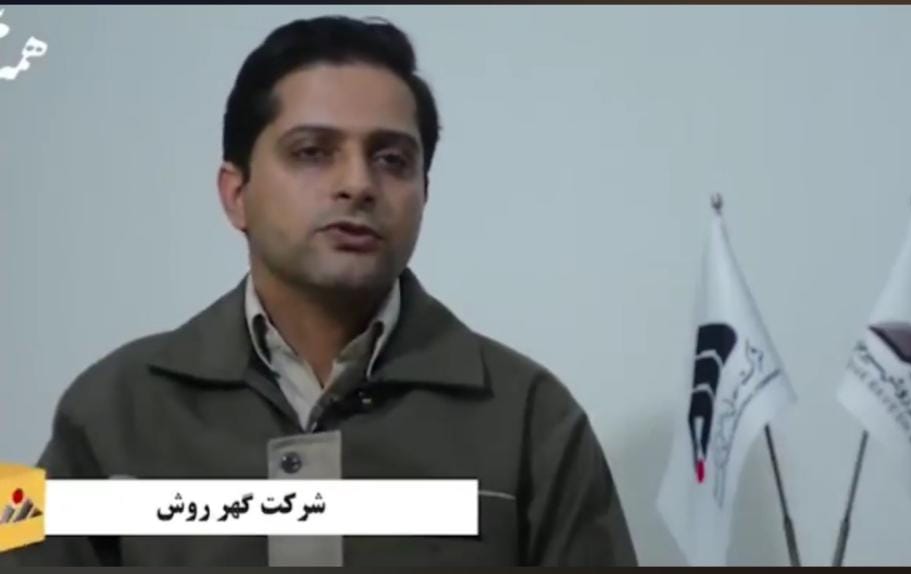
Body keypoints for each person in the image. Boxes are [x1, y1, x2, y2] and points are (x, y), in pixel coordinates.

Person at [6, 15, 637, 566]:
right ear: (236, 193)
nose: (358, 184)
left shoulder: (531, 417)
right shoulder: (109, 408)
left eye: (392, 159)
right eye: (312, 152)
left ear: (424, 193)